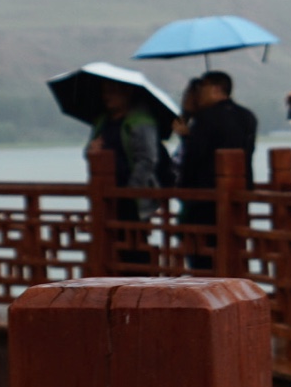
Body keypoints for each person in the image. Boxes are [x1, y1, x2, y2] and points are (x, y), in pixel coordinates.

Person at [172, 70, 259, 271]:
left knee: (204, 259)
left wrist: (187, 137)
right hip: (239, 196)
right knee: (233, 252)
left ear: (215, 88)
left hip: (205, 199)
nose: (199, 93)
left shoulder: (205, 118)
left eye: (202, 88)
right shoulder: (247, 116)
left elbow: (196, 158)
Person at [83, 78, 166, 268]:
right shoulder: (102, 121)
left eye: (113, 91)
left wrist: (130, 191)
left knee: (134, 248)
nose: (107, 97)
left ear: (127, 94)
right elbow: (89, 152)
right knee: (108, 248)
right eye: (105, 92)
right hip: (105, 197)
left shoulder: (140, 121)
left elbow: (148, 159)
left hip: (133, 198)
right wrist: (91, 151)